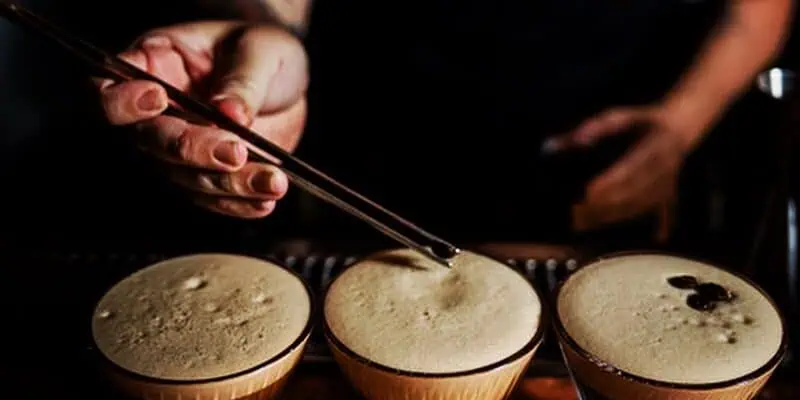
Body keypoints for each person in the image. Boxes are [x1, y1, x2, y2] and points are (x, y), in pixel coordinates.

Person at [94, 0, 794, 247]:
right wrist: (266, 36)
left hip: (604, 173)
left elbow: (758, 6)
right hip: (371, 172)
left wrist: (683, 121)